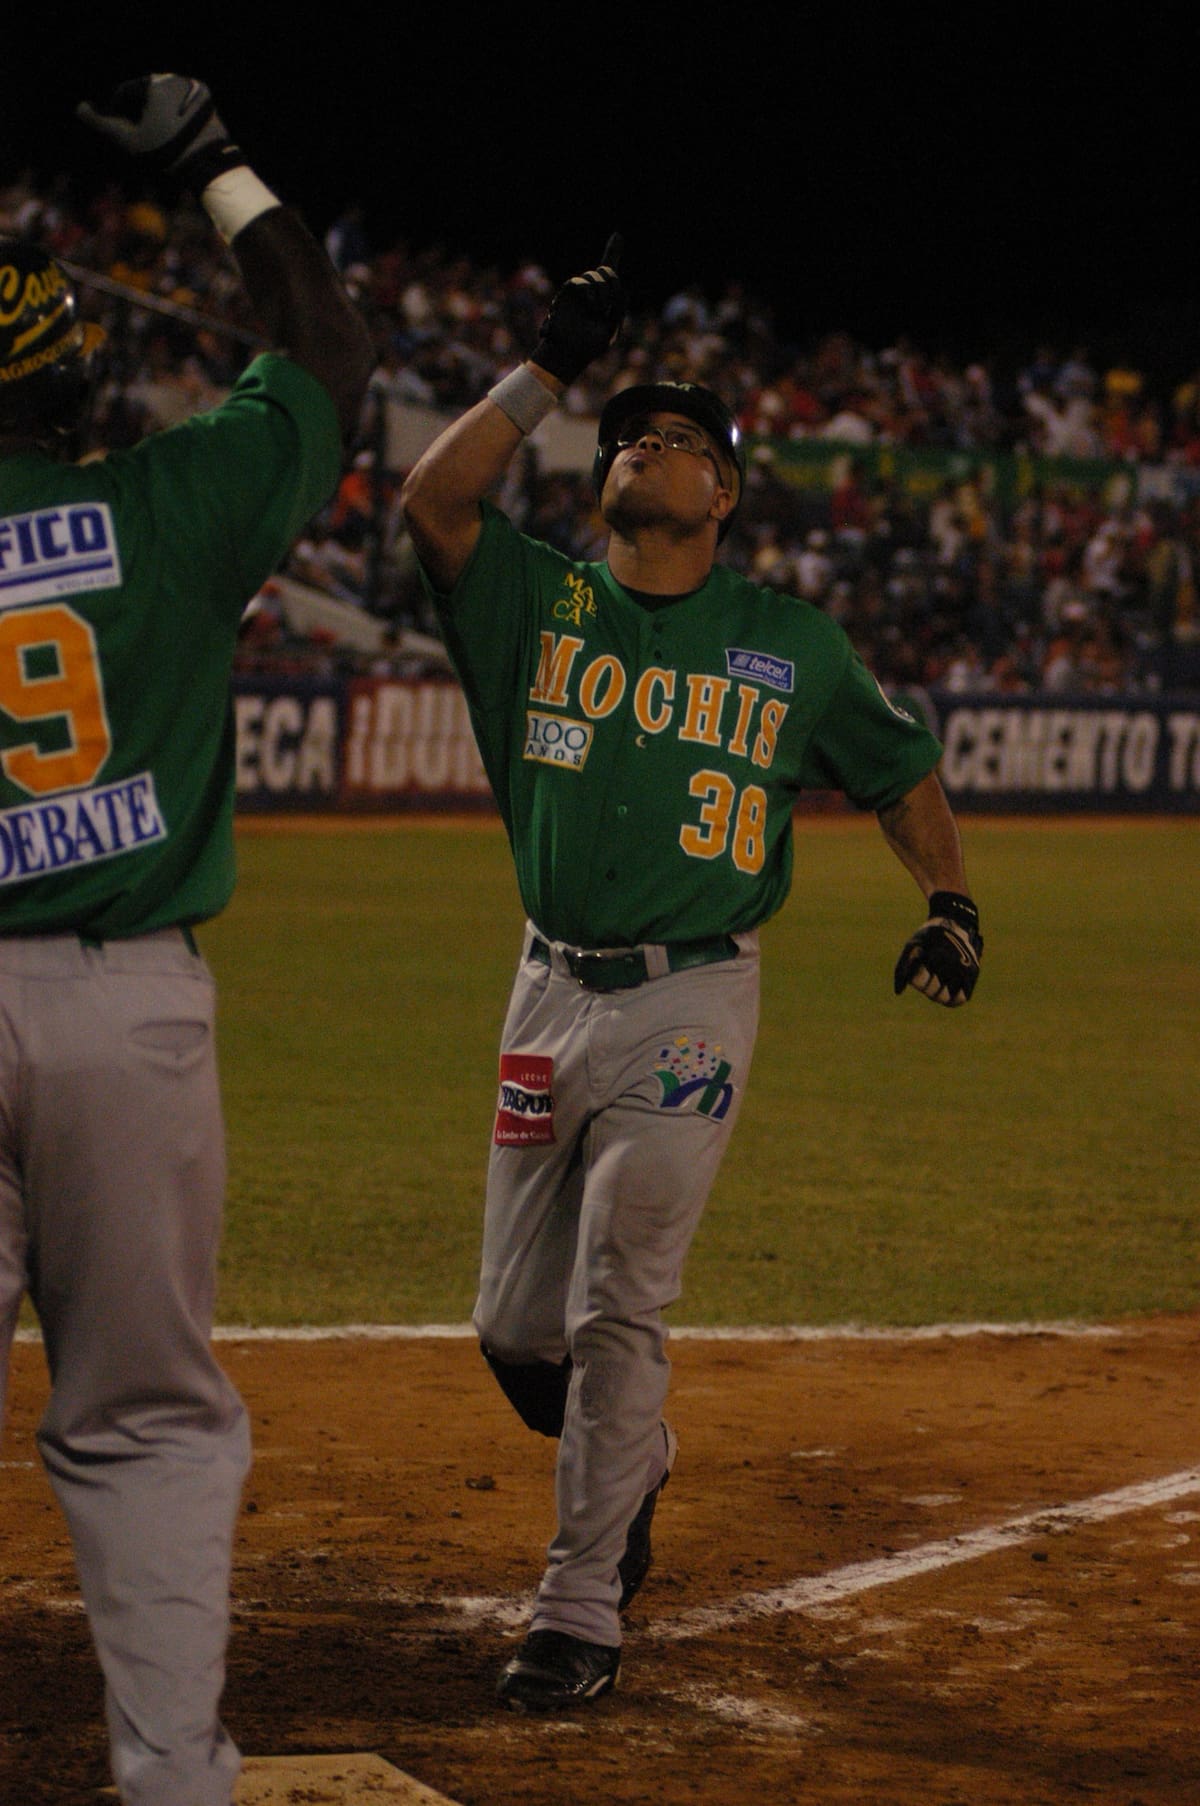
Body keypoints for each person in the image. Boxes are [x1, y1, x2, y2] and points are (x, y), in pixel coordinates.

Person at [400, 240, 982, 1713]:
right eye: (627, 434)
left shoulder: (786, 640)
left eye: (677, 440)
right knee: (513, 1334)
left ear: (724, 491)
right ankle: (636, 1453)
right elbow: (433, 496)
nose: (641, 446)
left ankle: (580, 1605)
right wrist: (546, 366)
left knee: (616, 1297)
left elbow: (900, 769)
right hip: (547, 990)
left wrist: (955, 902)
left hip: (691, 997)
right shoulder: (533, 604)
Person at [0, 75, 372, 1805]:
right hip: (126, 1006)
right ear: (70, 376)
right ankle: (171, 1778)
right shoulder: (172, 505)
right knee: (145, 1423)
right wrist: (213, 156)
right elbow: (326, 357)